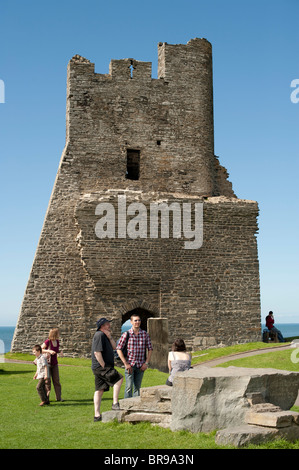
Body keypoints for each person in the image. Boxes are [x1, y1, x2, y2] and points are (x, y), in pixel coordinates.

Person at [91, 317, 124, 422]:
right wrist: (103, 365)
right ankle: (115, 403)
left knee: (99, 390)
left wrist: (110, 337)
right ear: (102, 326)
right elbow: (97, 352)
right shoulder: (99, 335)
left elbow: (115, 347)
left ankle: (97, 415)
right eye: (107, 324)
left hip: (100, 367)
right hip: (101, 367)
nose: (109, 325)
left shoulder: (105, 335)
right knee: (119, 379)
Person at [116, 314, 153, 398]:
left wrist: (146, 363)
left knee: (137, 388)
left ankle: (135, 407)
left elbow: (150, 349)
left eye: (139, 320)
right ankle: (126, 407)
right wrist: (125, 363)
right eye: (135, 320)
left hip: (141, 365)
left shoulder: (145, 334)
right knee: (129, 387)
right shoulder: (127, 334)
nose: (137, 322)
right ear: (131, 322)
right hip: (130, 365)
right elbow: (118, 349)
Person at [41, 328, 63, 402]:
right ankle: (46, 398)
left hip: (55, 363)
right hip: (47, 364)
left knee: (56, 381)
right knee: (48, 382)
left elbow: (56, 350)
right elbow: (40, 349)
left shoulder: (57, 341)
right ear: (55, 334)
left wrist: (60, 352)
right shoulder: (48, 341)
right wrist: (49, 350)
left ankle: (58, 398)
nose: (59, 334)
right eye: (58, 333)